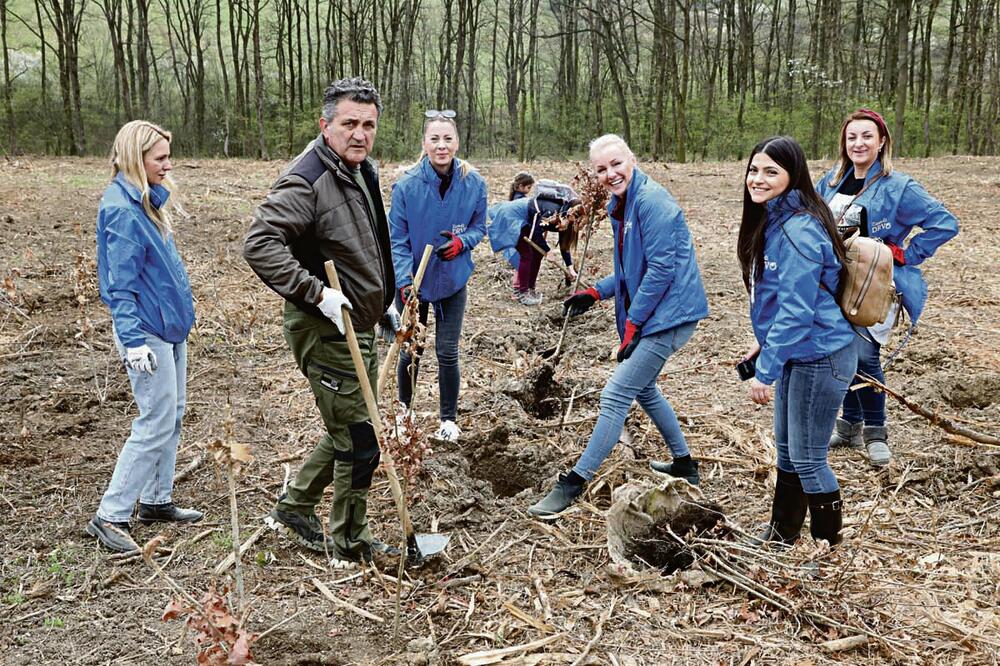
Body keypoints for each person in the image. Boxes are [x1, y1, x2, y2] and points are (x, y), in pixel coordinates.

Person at [243, 77, 400, 566]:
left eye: (368, 124)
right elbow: (260, 243)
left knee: (351, 426)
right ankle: (350, 542)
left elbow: (366, 243)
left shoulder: (360, 170)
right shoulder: (306, 178)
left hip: (360, 323)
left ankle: (294, 506)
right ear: (325, 124)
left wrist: (384, 300)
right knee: (359, 438)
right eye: (349, 123)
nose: (360, 133)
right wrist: (319, 295)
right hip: (327, 327)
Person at [528, 134, 709, 517]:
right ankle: (685, 465)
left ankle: (573, 483)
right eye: (601, 169)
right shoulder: (621, 205)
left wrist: (633, 323)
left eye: (616, 164)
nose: (610, 173)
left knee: (615, 394)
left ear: (633, 160)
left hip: (670, 315)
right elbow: (631, 270)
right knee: (643, 390)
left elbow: (660, 271)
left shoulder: (652, 203)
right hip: (657, 312)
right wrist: (596, 292)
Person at [817, 109, 959, 467]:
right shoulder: (831, 181)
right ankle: (849, 425)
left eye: (867, 136)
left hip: (874, 284)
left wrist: (906, 254)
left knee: (865, 356)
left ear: (881, 142)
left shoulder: (899, 186)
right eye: (852, 137)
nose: (858, 143)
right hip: (835, 281)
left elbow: (945, 223)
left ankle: (875, 432)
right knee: (841, 351)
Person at [87, 120, 202, 553]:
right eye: (160, 158)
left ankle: (156, 499)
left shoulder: (146, 200)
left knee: (172, 414)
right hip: (146, 332)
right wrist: (132, 341)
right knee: (154, 420)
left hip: (169, 327)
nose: (168, 165)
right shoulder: (120, 209)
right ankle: (111, 514)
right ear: (137, 158)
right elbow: (120, 285)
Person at [739, 136, 858, 547]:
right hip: (801, 350)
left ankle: (828, 546)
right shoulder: (776, 220)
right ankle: (781, 535)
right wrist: (766, 345)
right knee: (790, 453)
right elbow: (783, 301)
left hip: (821, 354)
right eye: (754, 169)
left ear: (793, 176)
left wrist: (765, 373)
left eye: (771, 171)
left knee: (808, 458)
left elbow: (797, 310)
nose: (758, 178)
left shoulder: (799, 229)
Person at [389, 109, 488, 443]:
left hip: (452, 280)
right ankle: (404, 412)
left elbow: (479, 228)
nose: (441, 146)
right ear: (424, 143)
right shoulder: (406, 186)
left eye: (448, 139)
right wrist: (404, 281)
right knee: (410, 349)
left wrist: (462, 243)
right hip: (414, 283)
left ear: (457, 142)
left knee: (447, 352)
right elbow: (397, 240)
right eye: (435, 139)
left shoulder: (473, 183)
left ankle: (448, 419)